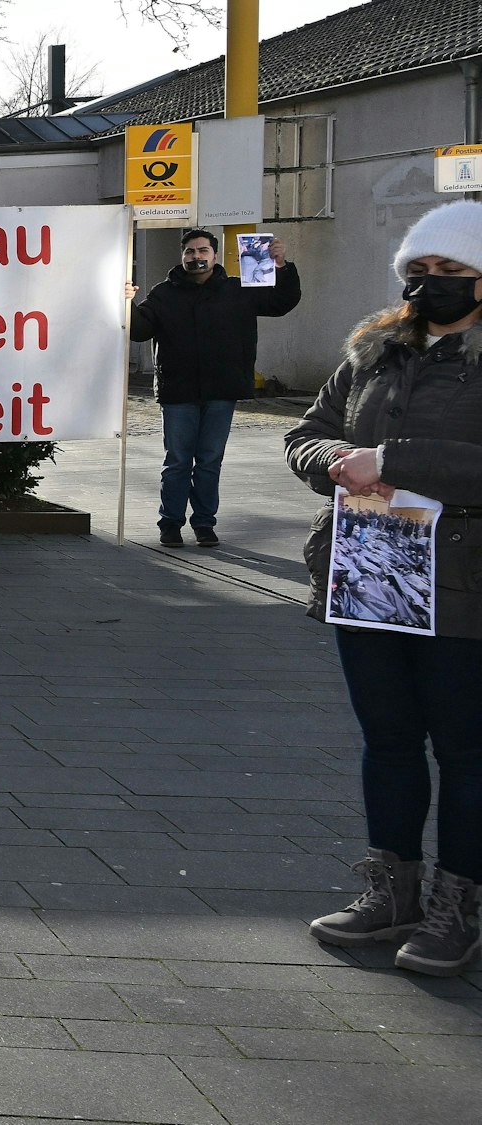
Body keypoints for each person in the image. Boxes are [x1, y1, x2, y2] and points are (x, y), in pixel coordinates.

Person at [287, 198, 482, 976]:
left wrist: (391, 458)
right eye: (421, 272)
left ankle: (456, 905)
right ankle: (390, 888)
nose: (432, 285)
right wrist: (333, 459)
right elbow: (307, 432)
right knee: (389, 739)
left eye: (453, 273)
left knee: (466, 751)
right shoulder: (373, 349)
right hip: (371, 575)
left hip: (465, 581)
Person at [128, 227, 301, 548]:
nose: (196, 257)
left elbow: (281, 302)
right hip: (178, 391)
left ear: (215, 255)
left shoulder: (238, 289)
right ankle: (170, 524)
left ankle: (205, 524)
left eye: (202, 251)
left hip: (222, 389)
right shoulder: (164, 293)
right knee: (177, 461)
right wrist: (126, 304)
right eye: (190, 252)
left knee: (209, 461)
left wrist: (282, 266)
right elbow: (139, 330)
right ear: (182, 256)